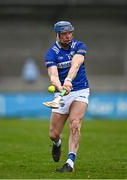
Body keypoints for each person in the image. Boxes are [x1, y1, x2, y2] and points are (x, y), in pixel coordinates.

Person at [44, 21, 90, 172]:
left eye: (70, 33)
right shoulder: (51, 53)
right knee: (53, 133)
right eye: (64, 33)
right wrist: (60, 86)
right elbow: (53, 75)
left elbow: (76, 64)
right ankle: (57, 143)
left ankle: (70, 163)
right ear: (57, 34)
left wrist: (68, 81)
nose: (67, 36)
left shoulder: (79, 46)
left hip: (80, 90)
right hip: (62, 93)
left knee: (75, 124)